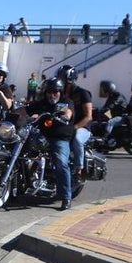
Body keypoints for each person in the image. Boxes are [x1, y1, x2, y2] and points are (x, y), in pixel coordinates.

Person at [26, 78, 75, 210]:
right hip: (42, 135)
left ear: (60, 91)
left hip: (59, 137)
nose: (52, 95)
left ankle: (66, 197)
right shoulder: (42, 103)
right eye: (49, 92)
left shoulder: (66, 102)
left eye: (55, 92)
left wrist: (65, 116)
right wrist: (15, 113)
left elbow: (68, 111)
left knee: (60, 162)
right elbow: (26, 110)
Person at [54, 65, 93, 175]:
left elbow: (88, 116)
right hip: (66, 126)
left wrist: (74, 128)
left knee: (77, 139)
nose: (59, 81)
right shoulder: (62, 95)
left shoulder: (83, 93)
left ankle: (78, 169)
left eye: (62, 78)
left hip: (82, 127)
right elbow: (59, 111)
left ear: (69, 79)